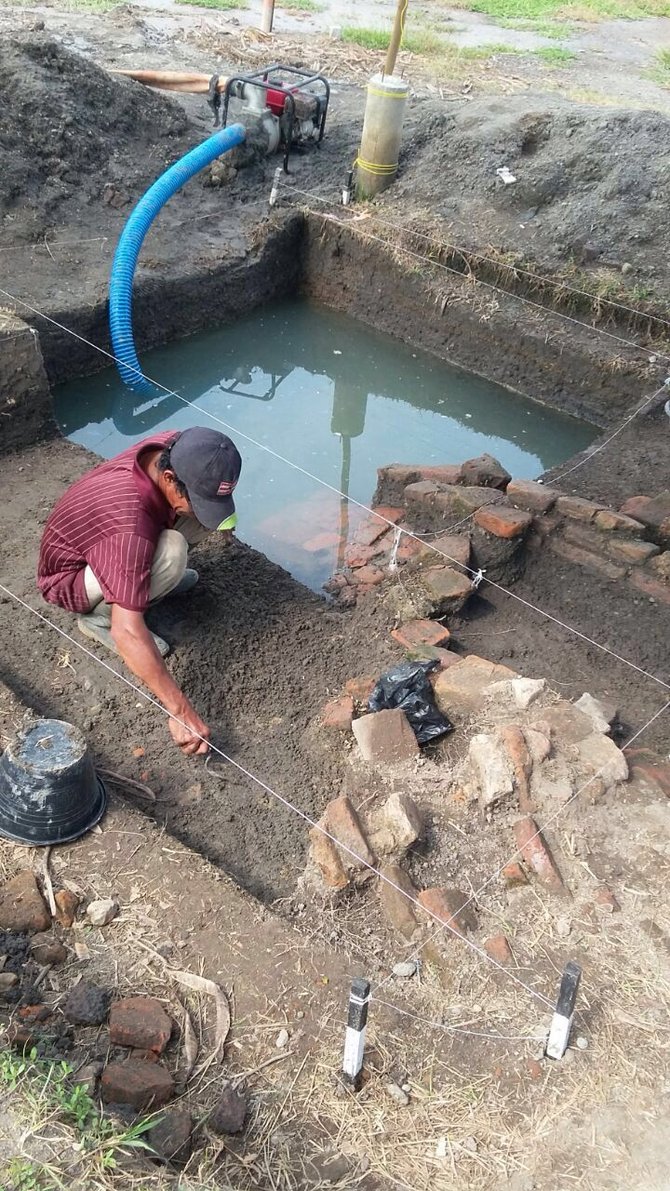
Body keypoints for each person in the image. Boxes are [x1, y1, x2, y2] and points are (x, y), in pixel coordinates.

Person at [37, 426, 241, 757]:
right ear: (172, 478)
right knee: (172, 551)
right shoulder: (128, 527)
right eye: (197, 496)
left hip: (112, 545)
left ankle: (151, 580)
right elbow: (127, 631)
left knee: (200, 522)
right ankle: (97, 618)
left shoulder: (176, 446)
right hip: (70, 578)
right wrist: (180, 710)